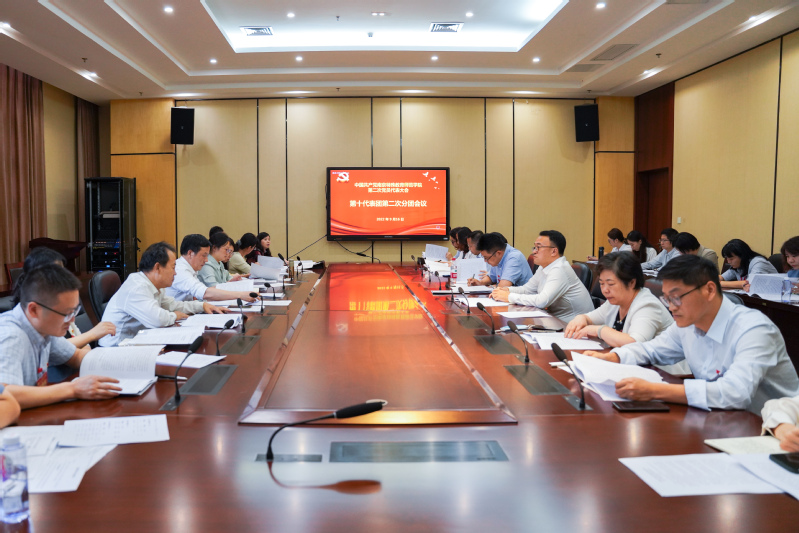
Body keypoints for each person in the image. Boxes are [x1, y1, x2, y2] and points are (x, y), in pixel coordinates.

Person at [582, 255, 799, 413]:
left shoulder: (753, 329)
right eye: (667, 299)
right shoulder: (686, 324)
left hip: (774, 431)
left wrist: (654, 391)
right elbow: (651, 349)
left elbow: (735, 393)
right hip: (720, 418)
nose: (671, 307)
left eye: (676, 297)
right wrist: (612, 357)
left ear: (709, 290)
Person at [0, 264, 122, 409]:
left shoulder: (42, 326)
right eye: (66, 313)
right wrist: (72, 389)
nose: (72, 320)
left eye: (74, 311)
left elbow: (75, 357)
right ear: (34, 310)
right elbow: (4, 395)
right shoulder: (11, 336)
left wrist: (124, 364)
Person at [99, 242, 228, 347]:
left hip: (136, 341)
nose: (175, 273)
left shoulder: (154, 285)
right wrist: (175, 315)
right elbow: (157, 320)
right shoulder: (136, 287)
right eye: (173, 267)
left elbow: (172, 305)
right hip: (116, 348)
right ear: (157, 267)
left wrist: (201, 306)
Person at [13, 246, 116, 348]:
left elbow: (76, 347)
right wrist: (92, 334)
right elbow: (55, 347)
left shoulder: (61, 303)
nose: (63, 277)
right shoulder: (32, 315)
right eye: (57, 273)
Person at [565, 252, 673, 347]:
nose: (605, 290)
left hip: (658, 364)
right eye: (601, 283)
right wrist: (581, 318)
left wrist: (599, 330)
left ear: (631, 283)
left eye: (611, 284)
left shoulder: (647, 306)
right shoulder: (615, 301)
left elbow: (635, 343)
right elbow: (589, 318)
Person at [491, 230, 593, 322]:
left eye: (538, 247)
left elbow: (542, 301)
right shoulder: (544, 266)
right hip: (553, 320)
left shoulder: (560, 269)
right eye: (534, 247)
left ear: (554, 251)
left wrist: (509, 297)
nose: (534, 251)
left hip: (573, 326)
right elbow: (527, 289)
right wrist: (506, 290)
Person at [165, 234, 256, 303]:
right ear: (190, 253)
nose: (206, 260)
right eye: (204, 255)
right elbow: (205, 292)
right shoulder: (180, 270)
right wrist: (240, 295)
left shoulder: (191, 268)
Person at [468, 232, 533, 287]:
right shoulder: (498, 257)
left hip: (523, 297)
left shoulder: (514, 258)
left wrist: (492, 286)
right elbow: (491, 277)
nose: (485, 261)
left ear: (498, 253)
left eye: (486, 258)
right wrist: (480, 283)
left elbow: (503, 287)